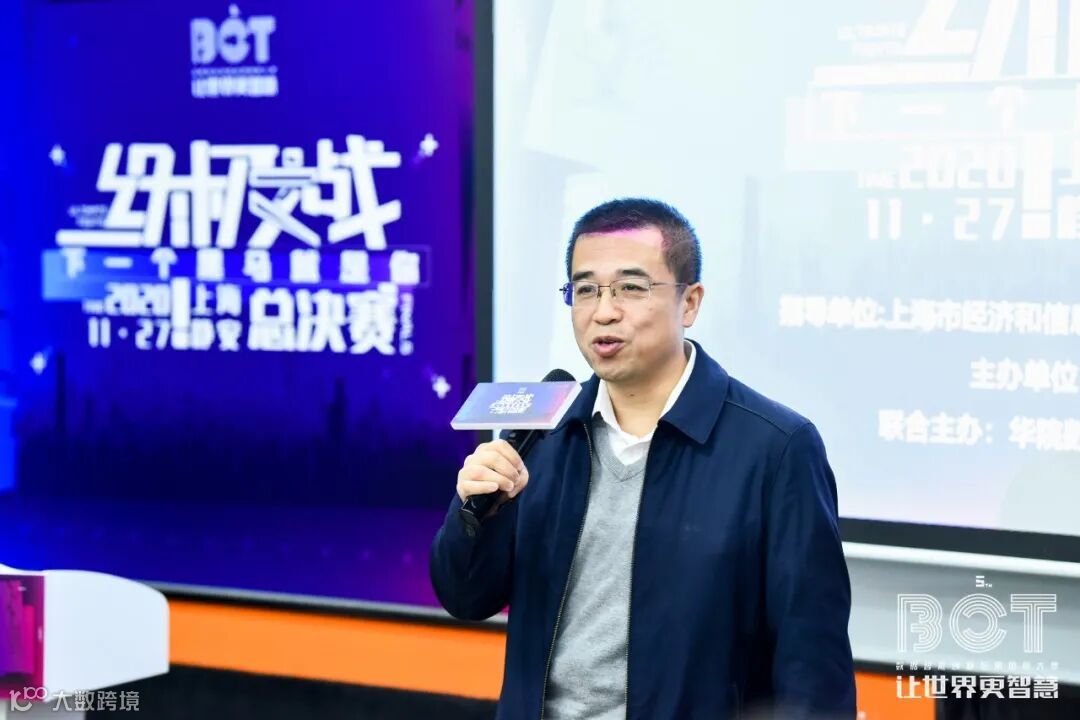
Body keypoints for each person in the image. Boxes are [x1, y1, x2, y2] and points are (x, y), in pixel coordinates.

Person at [430, 198, 856, 719]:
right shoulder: (540, 434)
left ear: (689, 302)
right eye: (585, 290)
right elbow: (466, 597)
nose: (603, 311)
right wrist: (476, 517)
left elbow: (811, 659)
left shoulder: (776, 446)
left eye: (630, 288)